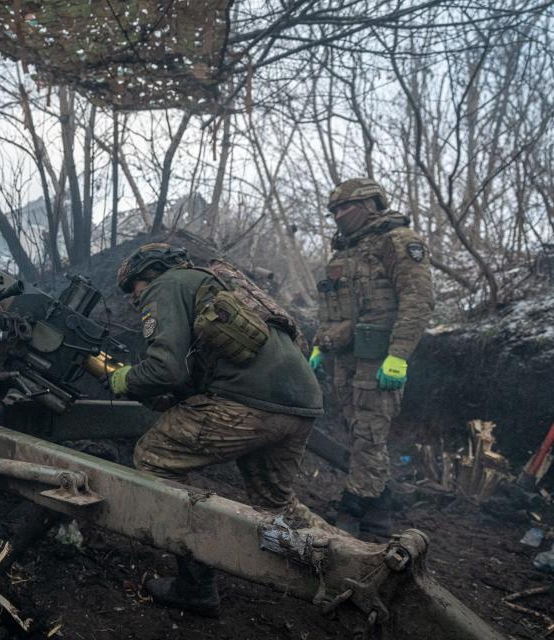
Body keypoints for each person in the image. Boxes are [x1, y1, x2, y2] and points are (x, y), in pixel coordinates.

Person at [110, 243, 331, 617]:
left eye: (133, 289)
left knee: (153, 458)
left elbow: (166, 369)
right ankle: (345, 563)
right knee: (274, 504)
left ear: (146, 276)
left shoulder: (164, 287)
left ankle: (195, 584)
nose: (134, 299)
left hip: (249, 402)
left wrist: (125, 378)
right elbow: (200, 368)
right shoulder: (213, 283)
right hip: (300, 403)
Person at [308, 178, 434, 539]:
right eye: (333, 210)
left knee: (368, 436)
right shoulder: (344, 252)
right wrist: (321, 345)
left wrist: (398, 356)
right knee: (358, 435)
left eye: (345, 207)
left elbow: (418, 300)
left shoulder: (397, 242)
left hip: (378, 363)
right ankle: (377, 522)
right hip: (345, 362)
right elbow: (334, 307)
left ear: (370, 204)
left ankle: (350, 518)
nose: (338, 215)